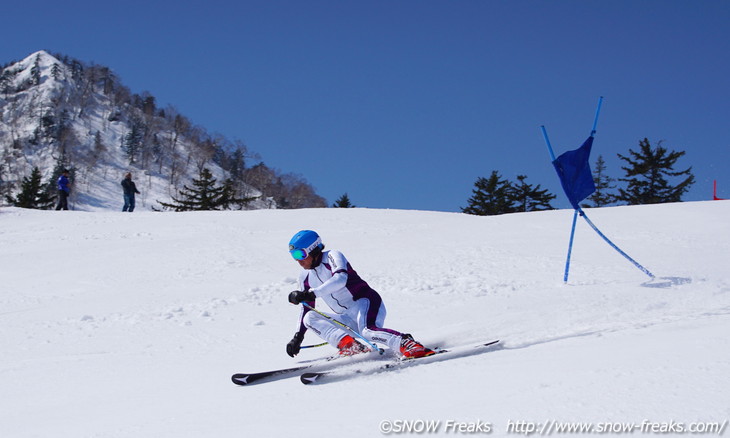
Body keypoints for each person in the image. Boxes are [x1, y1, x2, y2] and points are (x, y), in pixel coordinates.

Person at [285, 230, 435, 359]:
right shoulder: (304, 277)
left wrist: (312, 293)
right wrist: (298, 337)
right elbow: (307, 307)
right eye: (293, 255)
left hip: (365, 303)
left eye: (300, 253)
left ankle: (409, 345)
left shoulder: (332, 256)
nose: (298, 260)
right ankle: (351, 347)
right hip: (346, 317)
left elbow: (340, 279)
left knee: (368, 331)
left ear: (313, 249)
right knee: (309, 318)